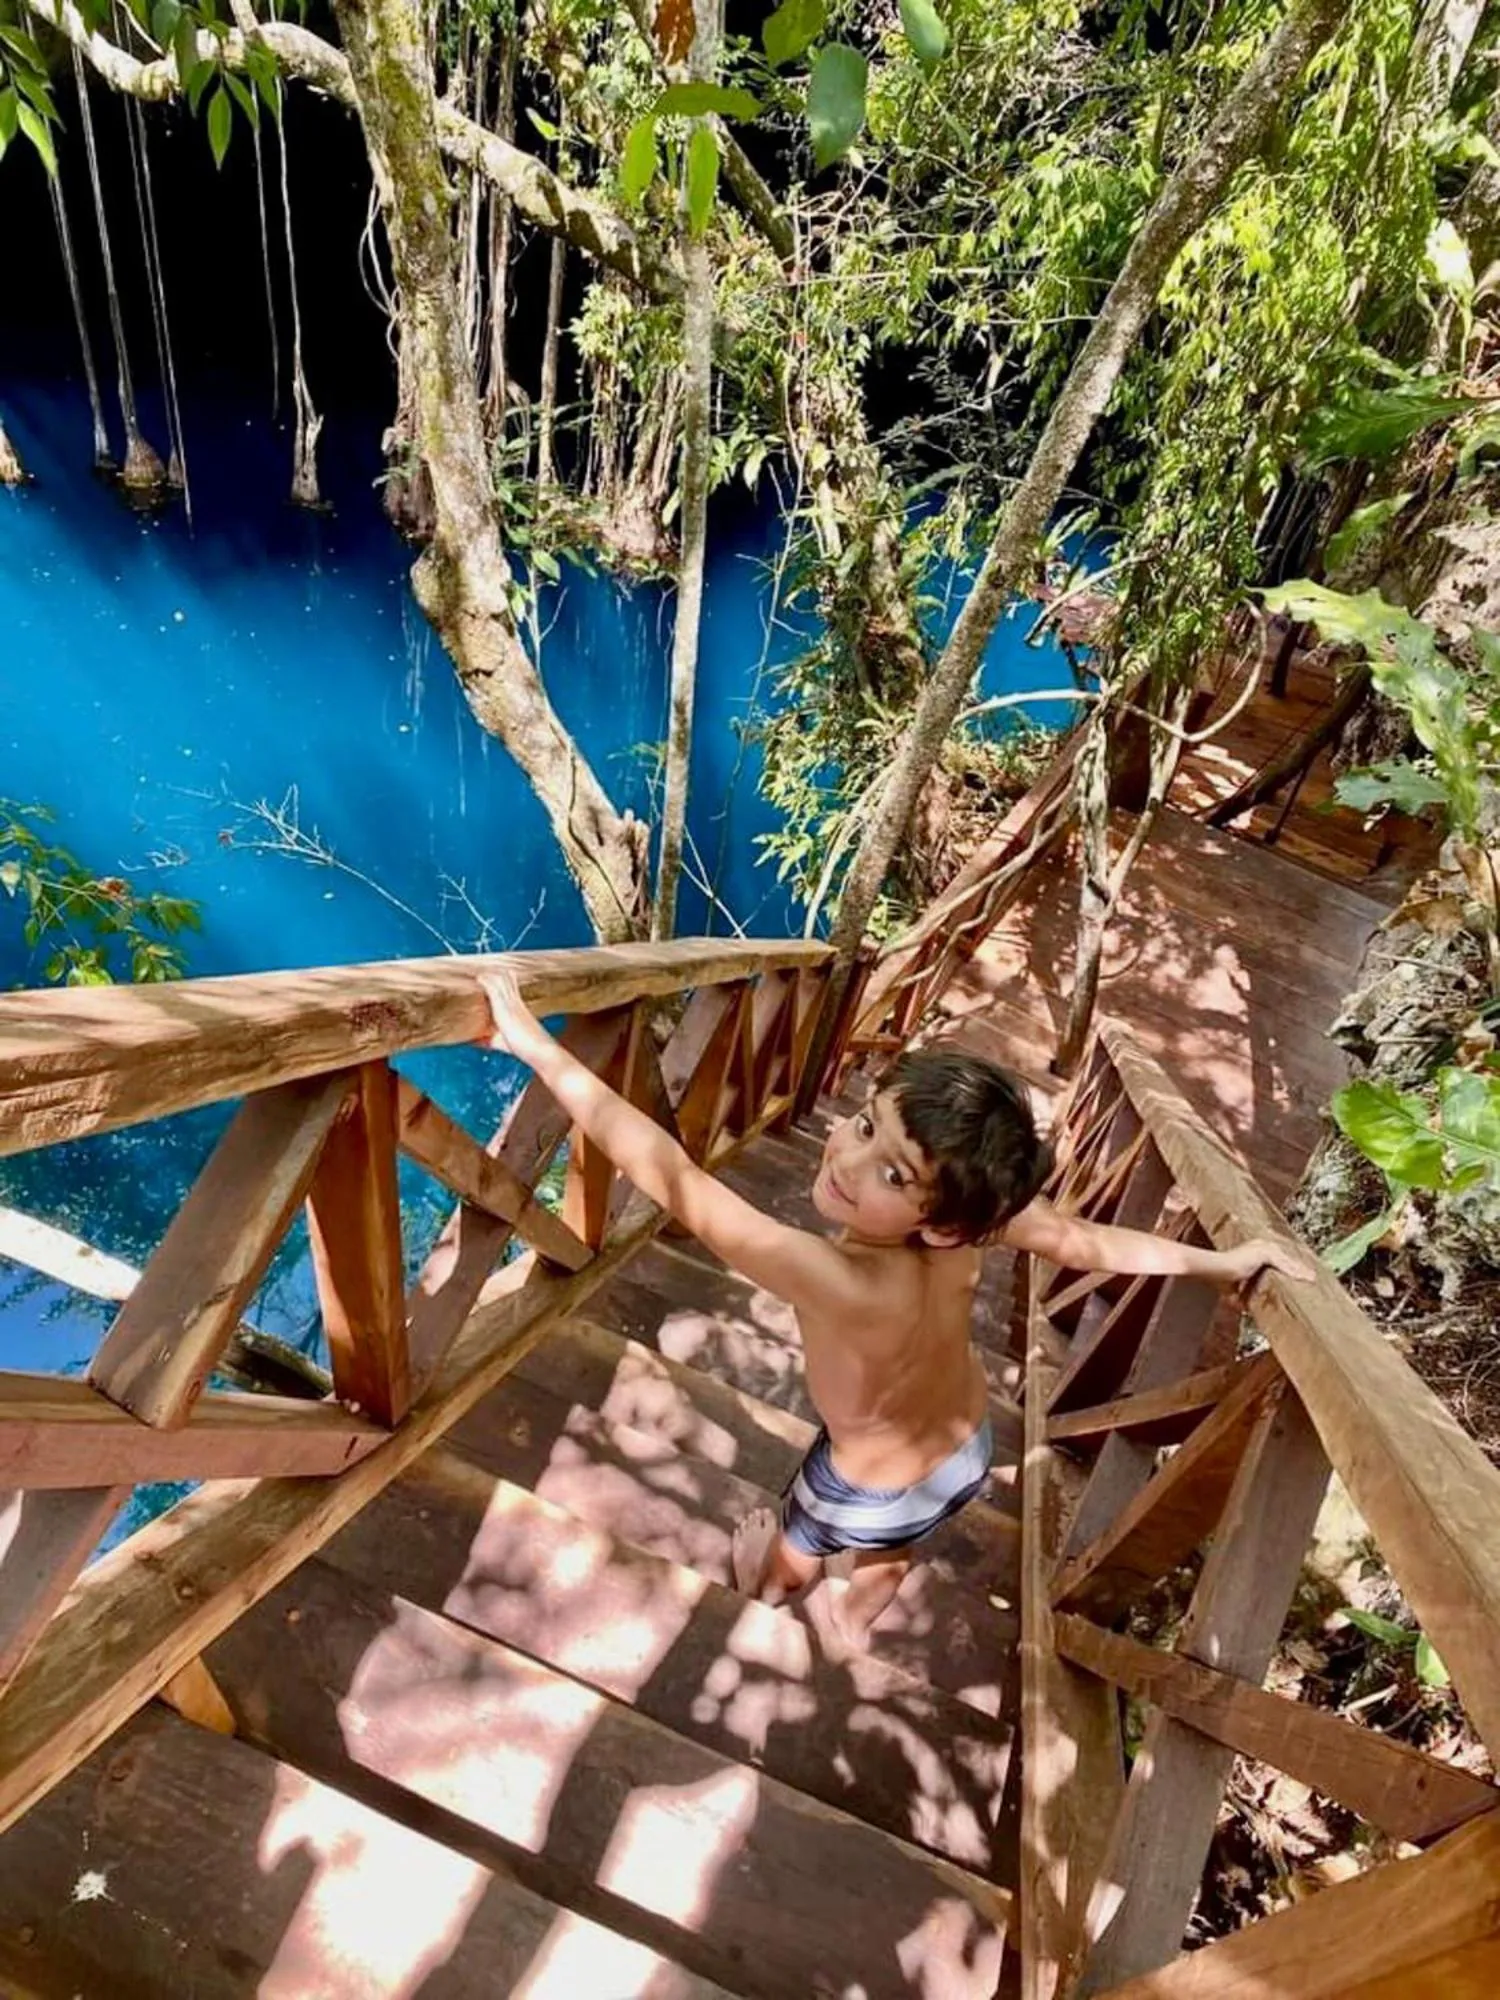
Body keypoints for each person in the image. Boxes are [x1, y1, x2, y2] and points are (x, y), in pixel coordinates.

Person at [479, 970, 1315, 1651]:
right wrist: (1220, 1262)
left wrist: (536, 1049)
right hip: (966, 1451)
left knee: (800, 1544)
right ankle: (857, 1612)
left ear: (938, 1217)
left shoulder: (834, 1278)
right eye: (863, 1126)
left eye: (893, 1175)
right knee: (898, 1541)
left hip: (860, 1482)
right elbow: (1083, 1242)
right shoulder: (971, 1233)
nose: (846, 1160)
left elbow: (675, 1179)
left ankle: (764, 1589)